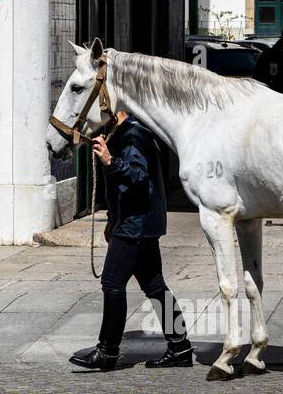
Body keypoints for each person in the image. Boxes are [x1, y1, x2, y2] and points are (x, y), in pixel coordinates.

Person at [70, 108, 193, 371]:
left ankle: (107, 351)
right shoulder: (128, 132)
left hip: (135, 225)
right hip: (139, 221)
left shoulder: (133, 136)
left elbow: (137, 177)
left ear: (117, 109)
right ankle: (180, 347)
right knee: (155, 286)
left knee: (113, 283)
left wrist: (109, 161)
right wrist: (112, 219)